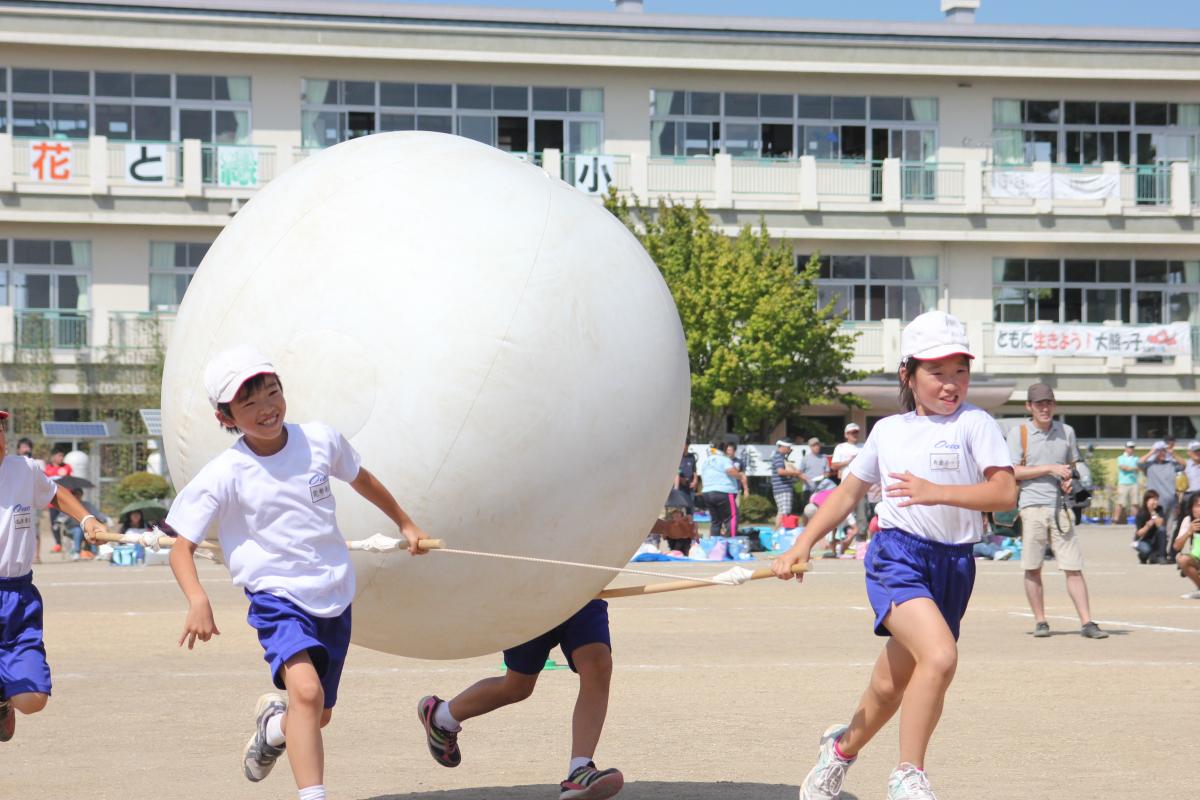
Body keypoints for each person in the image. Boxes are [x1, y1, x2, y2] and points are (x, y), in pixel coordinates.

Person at [771, 310, 1017, 800]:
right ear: (908, 374)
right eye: (937, 372)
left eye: (960, 371)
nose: (951, 384)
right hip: (897, 556)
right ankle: (909, 776)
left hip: (954, 564)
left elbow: (1004, 493)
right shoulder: (888, 431)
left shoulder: (976, 423)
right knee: (941, 657)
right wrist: (801, 544)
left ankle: (838, 751)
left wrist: (936, 492)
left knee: (890, 687)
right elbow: (845, 496)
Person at [165, 346, 429, 800]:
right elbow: (180, 547)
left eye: (272, 392)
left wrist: (404, 521)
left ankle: (273, 730)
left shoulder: (321, 440)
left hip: (333, 591)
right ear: (224, 417)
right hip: (276, 595)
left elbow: (361, 478)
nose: (266, 408)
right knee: (305, 694)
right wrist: (197, 599)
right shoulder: (225, 472)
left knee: (316, 712)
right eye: (248, 403)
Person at [417, 600, 623, 800]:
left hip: (580, 587)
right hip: (527, 594)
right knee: (518, 686)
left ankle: (580, 770)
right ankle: (441, 717)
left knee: (597, 665)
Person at [0, 408, 109, 743]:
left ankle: (5, 699)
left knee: (33, 700)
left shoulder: (22, 470)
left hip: (17, 597)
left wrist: (87, 519)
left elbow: (56, 494)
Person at [1008, 383, 1107, 640]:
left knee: (1073, 566)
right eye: (1039, 403)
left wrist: (1070, 479)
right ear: (1028, 406)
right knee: (1032, 566)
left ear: (1054, 405)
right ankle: (1040, 621)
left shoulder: (1067, 431)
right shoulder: (1019, 433)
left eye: (1048, 403)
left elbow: (1073, 466)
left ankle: (1087, 621)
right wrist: (1049, 468)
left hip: (1061, 506)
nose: (1044, 408)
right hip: (1031, 505)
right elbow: (1012, 472)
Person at [1139, 441, 1184, 546]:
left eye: (1164, 451)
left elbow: (1183, 465)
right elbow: (1139, 463)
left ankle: (1163, 551)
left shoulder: (1172, 464)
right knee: (1155, 528)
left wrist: (1172, 453)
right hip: (1155, 504)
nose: (1162, 453)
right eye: (1159, 451)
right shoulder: (1149, 466)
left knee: (1168, 529)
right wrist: (1152, 452)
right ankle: (1154, 551)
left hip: (1171, 503)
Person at [832, 423, 871, 536]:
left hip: (861, 486)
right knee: (843, 514)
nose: (854, 434)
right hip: (845, 486)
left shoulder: (863, 446)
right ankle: (841, 540)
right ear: (846, 434)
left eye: (856, 432)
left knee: (862, 515)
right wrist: (849, 461)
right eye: (852, 432)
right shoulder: (841, 447)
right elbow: (834, 465)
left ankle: (860, 543)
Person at [697, 441, 741, 538]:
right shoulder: (723, 459)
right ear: (724, 450)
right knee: (733, 516)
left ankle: (714, 544)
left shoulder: (706, 461)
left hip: (707, 492)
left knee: (716, 521)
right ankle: (731, 541)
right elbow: (730, 471)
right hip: (724, 491)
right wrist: (740, 476)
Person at [63, 487, 107, 561]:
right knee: (78, 530)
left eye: (78, 494)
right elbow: (60, 518)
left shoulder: (87, 505)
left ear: (81, 495)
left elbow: (97, 513)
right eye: (74, 494)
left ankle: (95, 553)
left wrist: (105, 518)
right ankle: (77, 552)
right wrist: (65, 517)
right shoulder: (67, 506)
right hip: (71, 529)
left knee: (92, 531)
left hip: (85, 529)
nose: (77, 496)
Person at [43, 450, 71, 555]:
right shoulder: (47, 468)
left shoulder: (67, 467)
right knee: (54, 524)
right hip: (52, 501)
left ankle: (69, 544)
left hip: (66, 501)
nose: (61, 458)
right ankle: (58, 544)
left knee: (66, 522)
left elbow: (71, 481)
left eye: (62, 456)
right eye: (59, 456)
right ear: (53, 456)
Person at [1173, 492, 1200, 599]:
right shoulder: (1188, 521)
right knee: (1182, 559)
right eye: (1197, 506)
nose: (1199, 510)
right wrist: (1189, 532)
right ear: (1191, 508)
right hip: (1197, 560)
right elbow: (1176, 547)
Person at [771, 439, 803, 528]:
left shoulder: (779, 457)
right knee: (785, 513)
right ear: (783, 447)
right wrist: (795, 473)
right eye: (788, 447)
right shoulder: (778, 457)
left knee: (781, 512)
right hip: (783, 489)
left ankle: (776, 532)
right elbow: (780, 471)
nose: (789, 449)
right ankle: (780, 533)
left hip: (780, 489)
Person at [1132, 490, 1168, 564]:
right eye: (1153, 500)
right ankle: (1142, 556)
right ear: (1146, 501)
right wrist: (1147, 526)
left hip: (1155, 539)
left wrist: (1153, 512)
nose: (1156, 502)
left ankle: (1162, 557)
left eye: (1157, 499)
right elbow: (1139, 533)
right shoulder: (1141, 513)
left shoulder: (1159, 509)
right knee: (1146, 550)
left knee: (1162, 530)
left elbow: (1160, 525)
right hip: (1143, 540)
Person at [799, 437, 834, 503]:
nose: (816, 447)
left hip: (821, 489)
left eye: (817, 445)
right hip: (808, 489)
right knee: (808, 511)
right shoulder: (805, 459)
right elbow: (800, 473)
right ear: (810, 447)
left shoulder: (824, 458)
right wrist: (804, 478)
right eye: (814, 445)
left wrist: (825, 476)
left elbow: (827, 472)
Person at [1113, 441, 1139, 526]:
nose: (1131, 449)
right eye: (1129, 447)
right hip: (1123, 483)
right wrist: (1134, 468)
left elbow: (1138, 469)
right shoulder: (1121, 458)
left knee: (1135, 503)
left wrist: (1131, 468)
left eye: (1132, 447)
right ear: (1126, 448)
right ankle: (1115, 520)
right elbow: (1123, 467)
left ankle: (1137, 521)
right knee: (1120, 503)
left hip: (1134, 483)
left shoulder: (1136, 458)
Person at [675, 444, 698, 514]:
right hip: (680, 486)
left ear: (687, 445)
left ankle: (690, 522)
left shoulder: (692, 457)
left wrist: (695, 481)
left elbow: (695, 471)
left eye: (684, 444)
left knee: (690, 508)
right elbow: (675, 472)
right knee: (679, 508)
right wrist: (681, 480)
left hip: (690, 486)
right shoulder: (677, 456)